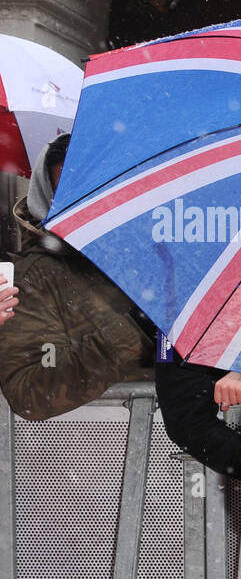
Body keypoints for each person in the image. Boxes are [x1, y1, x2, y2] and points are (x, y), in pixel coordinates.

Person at [0, 134, 154, 419]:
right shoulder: (35, 279)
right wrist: (132, 333)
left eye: (96, 189)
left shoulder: (152, 254)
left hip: (189, 449)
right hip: (92, 450)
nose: (86, 206)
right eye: (70, 194)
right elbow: (30, 392)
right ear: (47, 196)